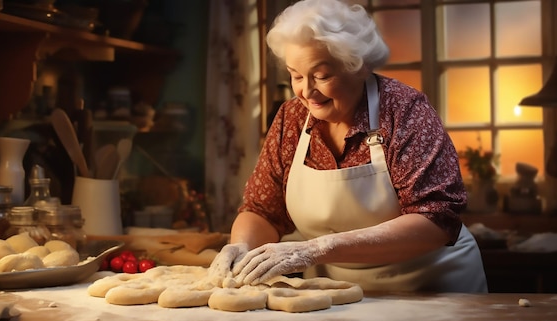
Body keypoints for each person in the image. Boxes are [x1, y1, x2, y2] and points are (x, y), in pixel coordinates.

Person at [208, 0, 488, 293]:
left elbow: (437, 219)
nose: (307, 91)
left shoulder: (403, 111)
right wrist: (241, 247)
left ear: (358, 67)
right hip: (339, 294)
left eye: (322, 75)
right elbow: (263, 210)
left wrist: (317, 249)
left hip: (432, 287)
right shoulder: (291, 119)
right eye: (296, 75)